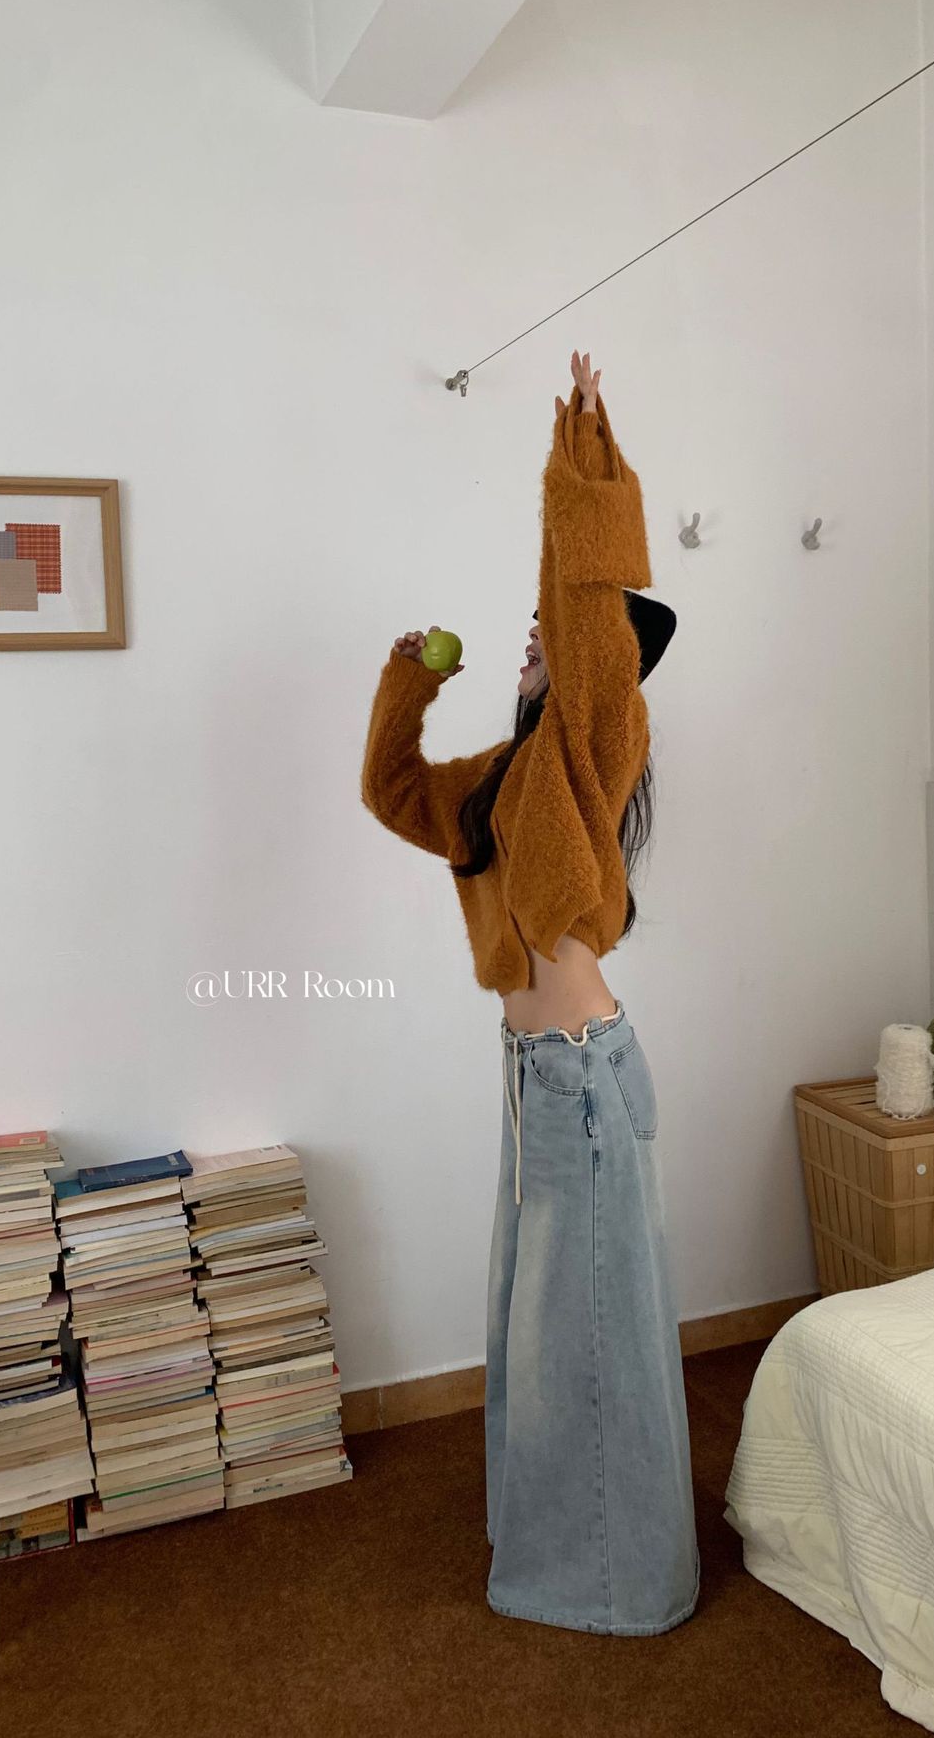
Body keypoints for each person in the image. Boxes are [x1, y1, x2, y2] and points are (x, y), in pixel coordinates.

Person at [360, 350, 698, 1636]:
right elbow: (393, 791)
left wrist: (583, 448)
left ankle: (621, 1581)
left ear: (594, 664)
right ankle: (560, 1545)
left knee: (589, 1334)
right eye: (528, 637)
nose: (528, 644)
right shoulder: (501, 782)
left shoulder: (594, 744)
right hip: (539, 1078)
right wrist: (410, 680)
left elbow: (585, 605)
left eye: (543, 639)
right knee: (544, 1329)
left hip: (584, 1078)